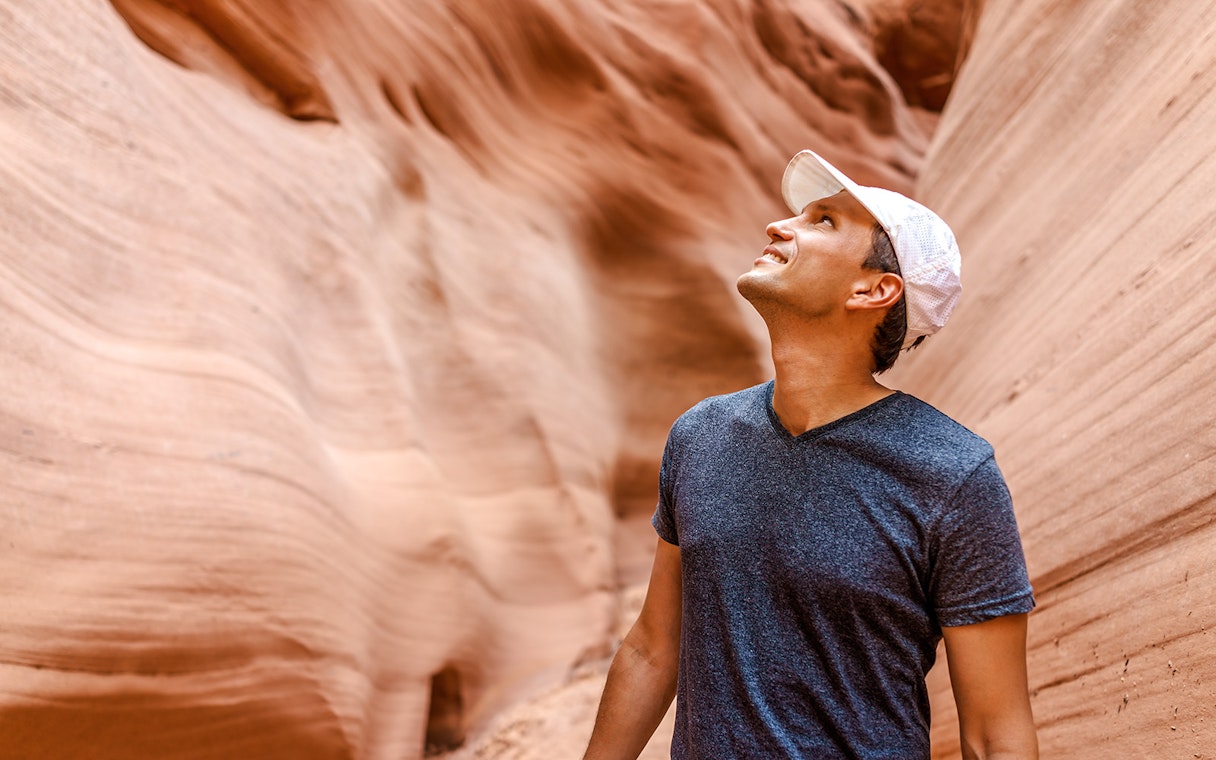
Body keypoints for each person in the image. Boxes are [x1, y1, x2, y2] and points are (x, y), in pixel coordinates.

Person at [583, 150, 1038, 759]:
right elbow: (652, 648)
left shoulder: (953, 476)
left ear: (875, 290)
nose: (779, 226)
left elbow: (994, 733)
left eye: (823, 222)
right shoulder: (701, 435)